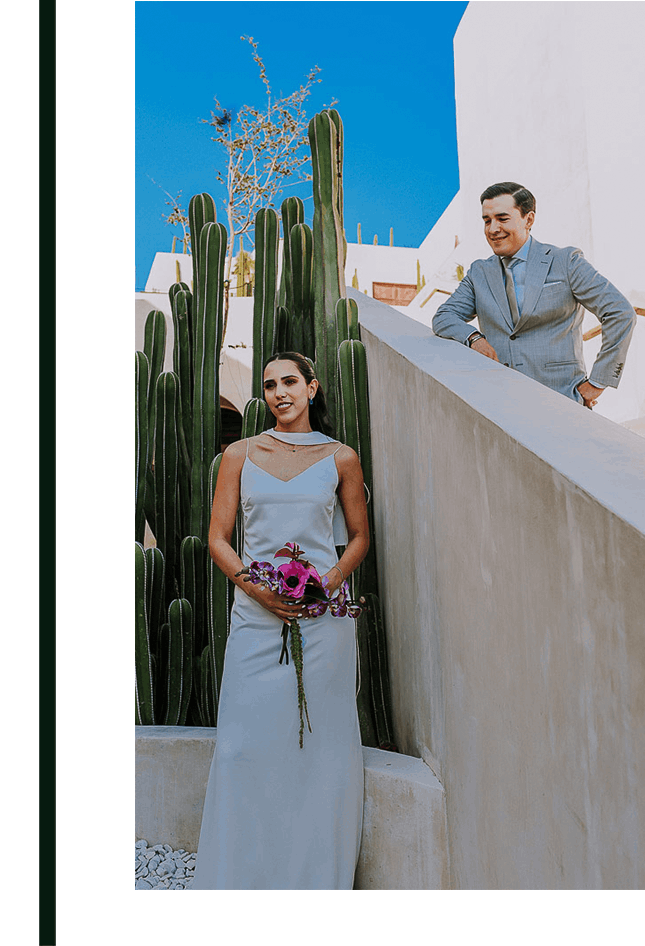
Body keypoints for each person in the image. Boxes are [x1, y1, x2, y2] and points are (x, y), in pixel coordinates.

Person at [192, 352, 369, 889]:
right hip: (254, 616)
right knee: (244, 745)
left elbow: (360, 537)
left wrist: (326, 583)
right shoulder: (239, 455)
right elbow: (217, 538)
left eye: (290, 381)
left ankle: (311, 883)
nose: (279, 392)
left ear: (312, 388)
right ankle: (241, 880)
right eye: (269, 385)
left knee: (322, 751)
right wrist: (256, 589)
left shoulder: (341, 458)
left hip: (323, 622)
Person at [431, 182, 635, 408]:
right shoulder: (479, 272)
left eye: (502, 218)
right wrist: (474, 339)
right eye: (487, 221)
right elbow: (444, 317)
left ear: (528, 219)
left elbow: (620, 312)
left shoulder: (566, 262)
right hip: (499, 405)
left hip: (561, 402)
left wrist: (598, 382)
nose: (492, 229)